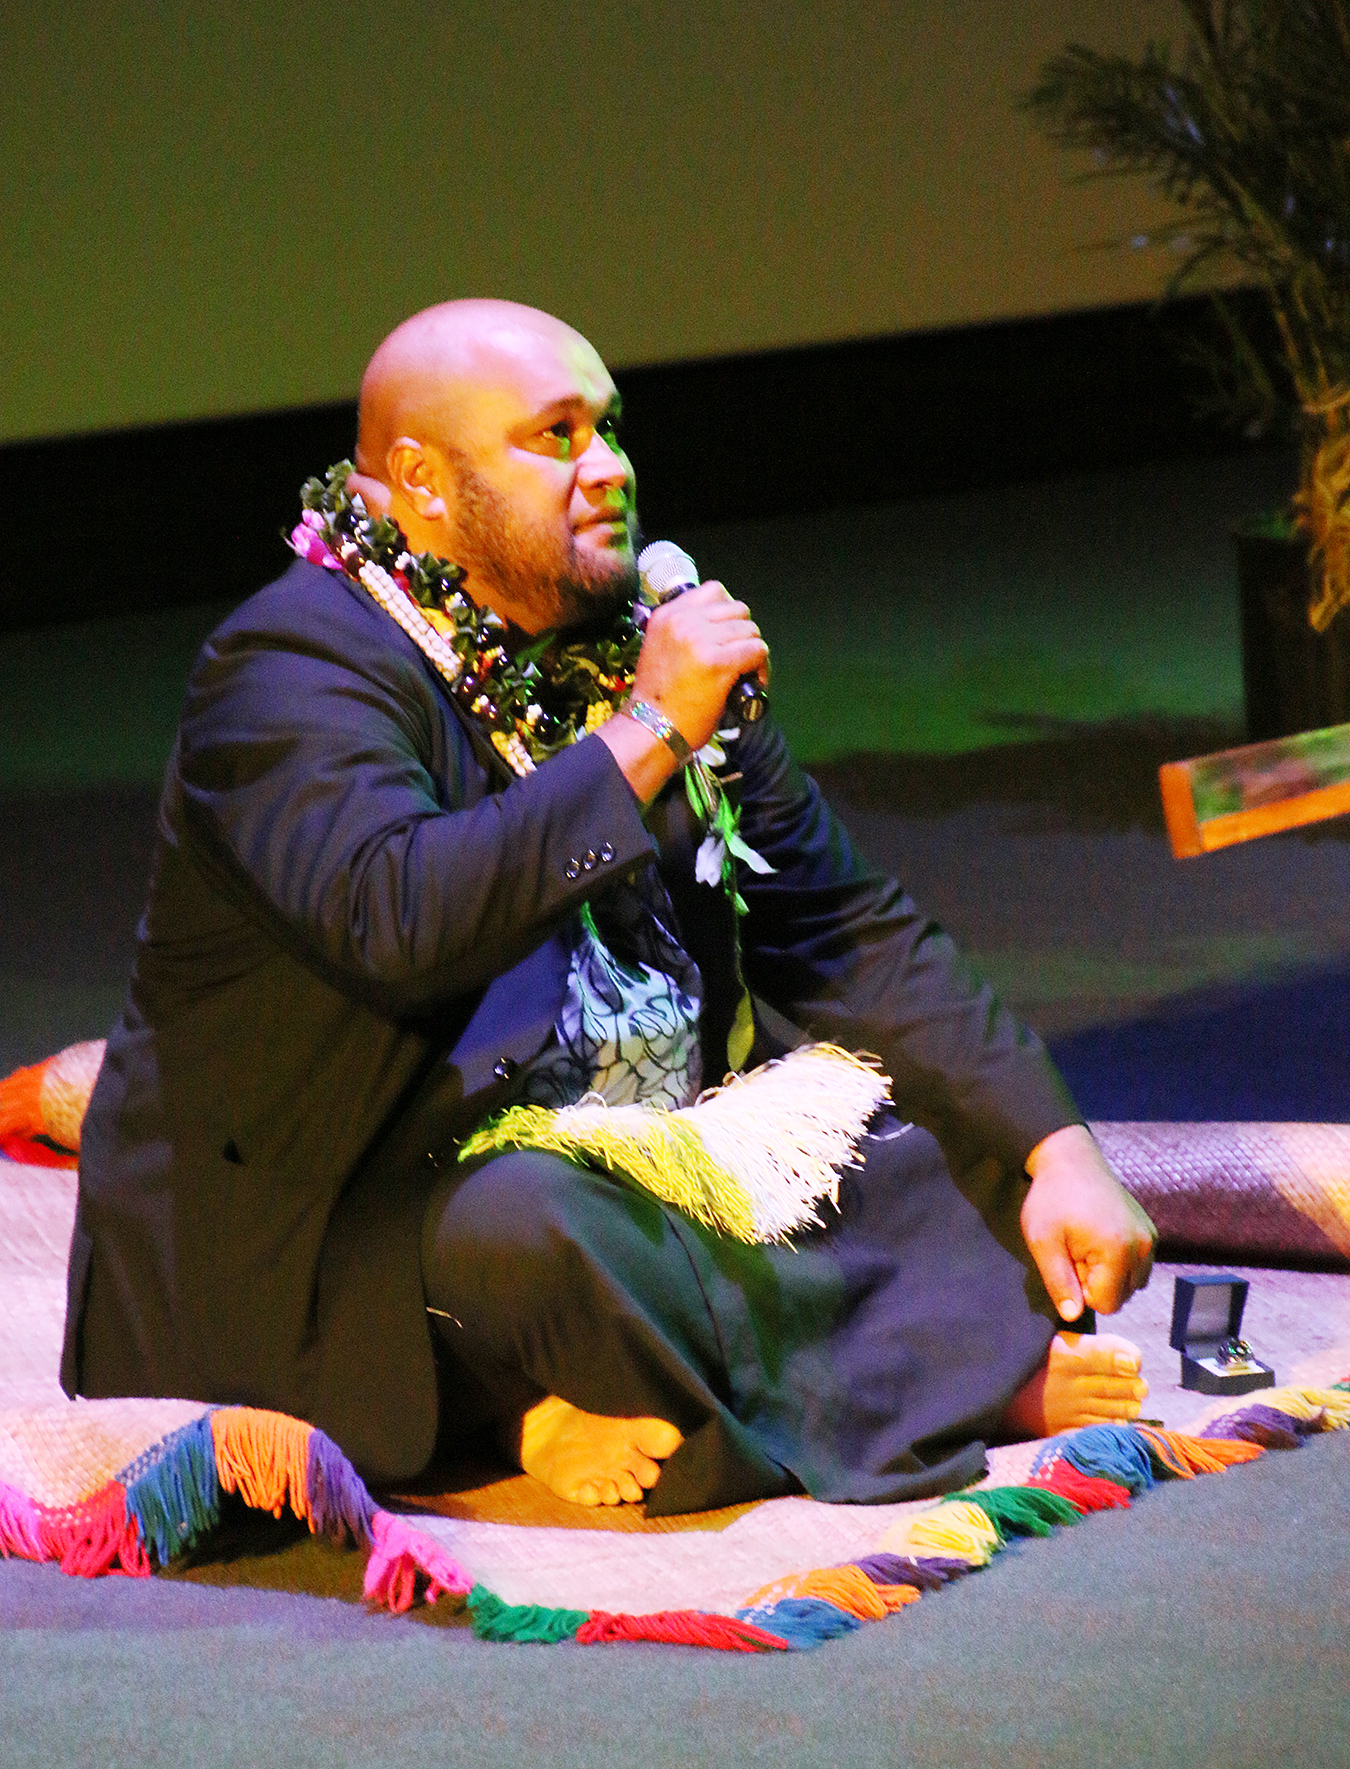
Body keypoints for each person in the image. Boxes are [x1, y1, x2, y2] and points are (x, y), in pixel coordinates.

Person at [61, 298, 1155, 1514]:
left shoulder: (626, 639)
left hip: (628, 1124)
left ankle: (666, 1388)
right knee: (535, 1234)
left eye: (612, 429)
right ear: (419, 481)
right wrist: (648, 730)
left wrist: (1056, 1148)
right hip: (362, 1191)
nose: (611, 470)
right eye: (557, 437)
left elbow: (843, 924)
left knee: (908, 1127)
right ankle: (565, 1401)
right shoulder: (290, 666)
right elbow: (399, 917)